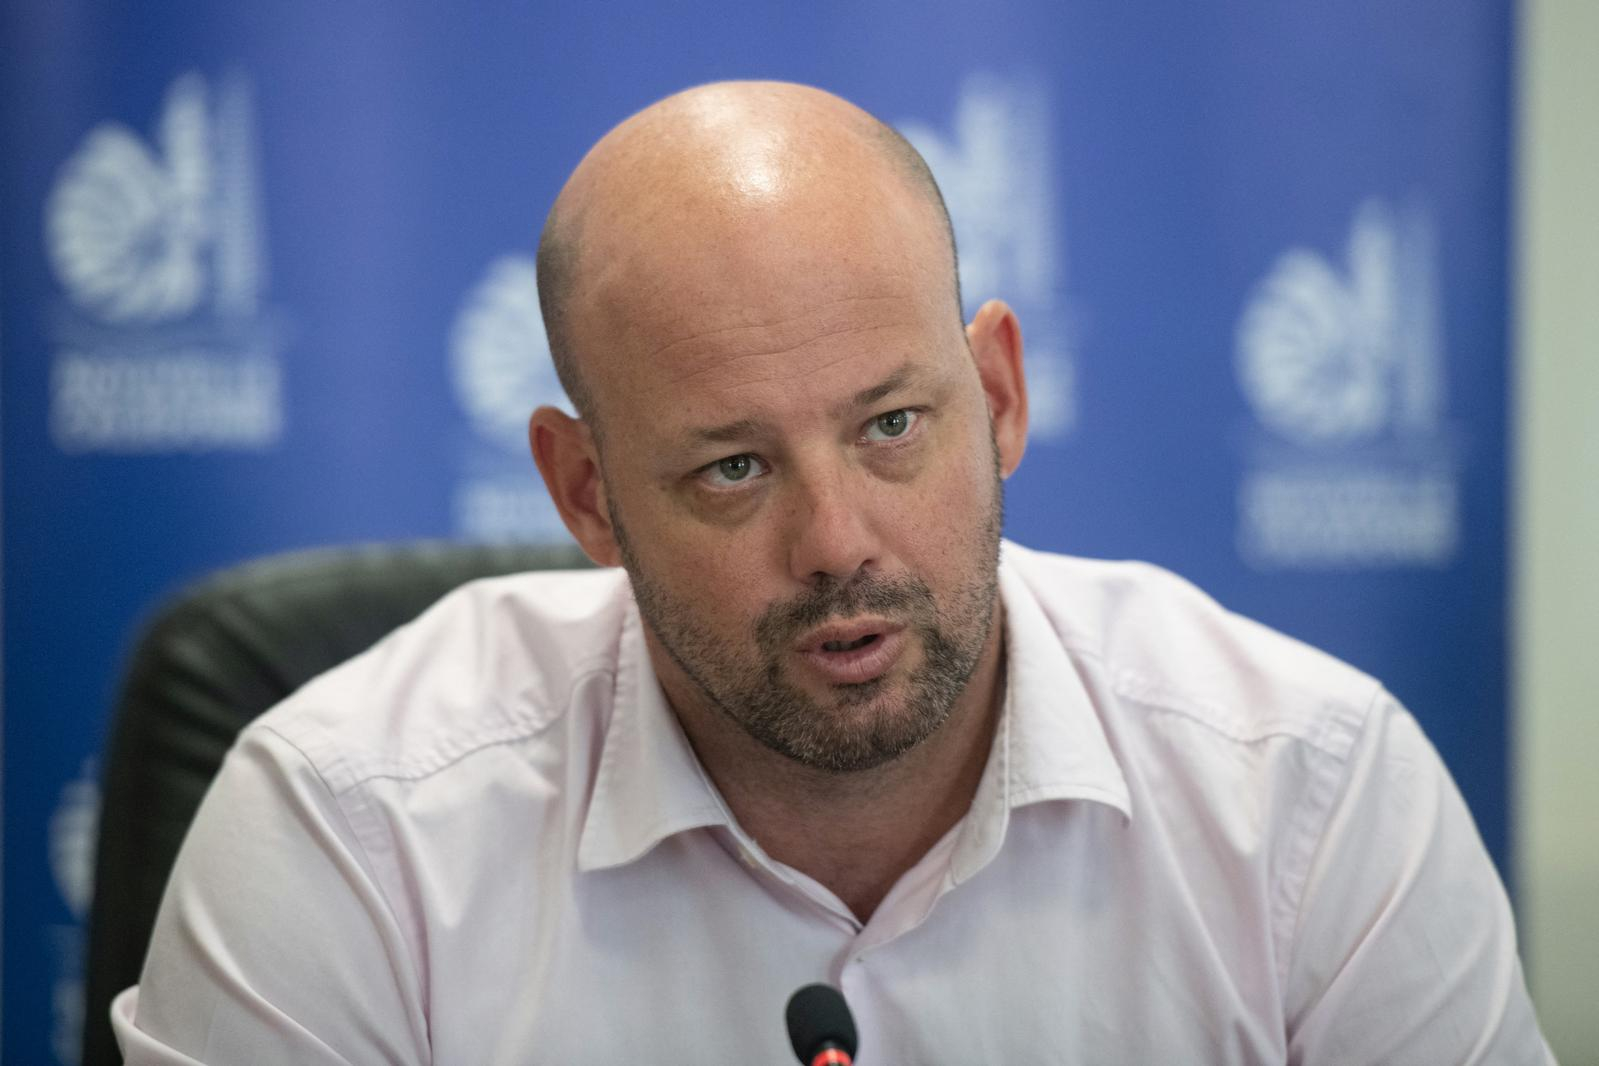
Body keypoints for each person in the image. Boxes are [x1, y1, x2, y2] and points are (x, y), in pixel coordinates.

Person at [113, 81, 1552, 1063]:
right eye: (734, 467)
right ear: (586, 493)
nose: (839, 541)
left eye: (892, 427)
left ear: (998, 396)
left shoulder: (1310, 796)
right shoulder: (349, 825)